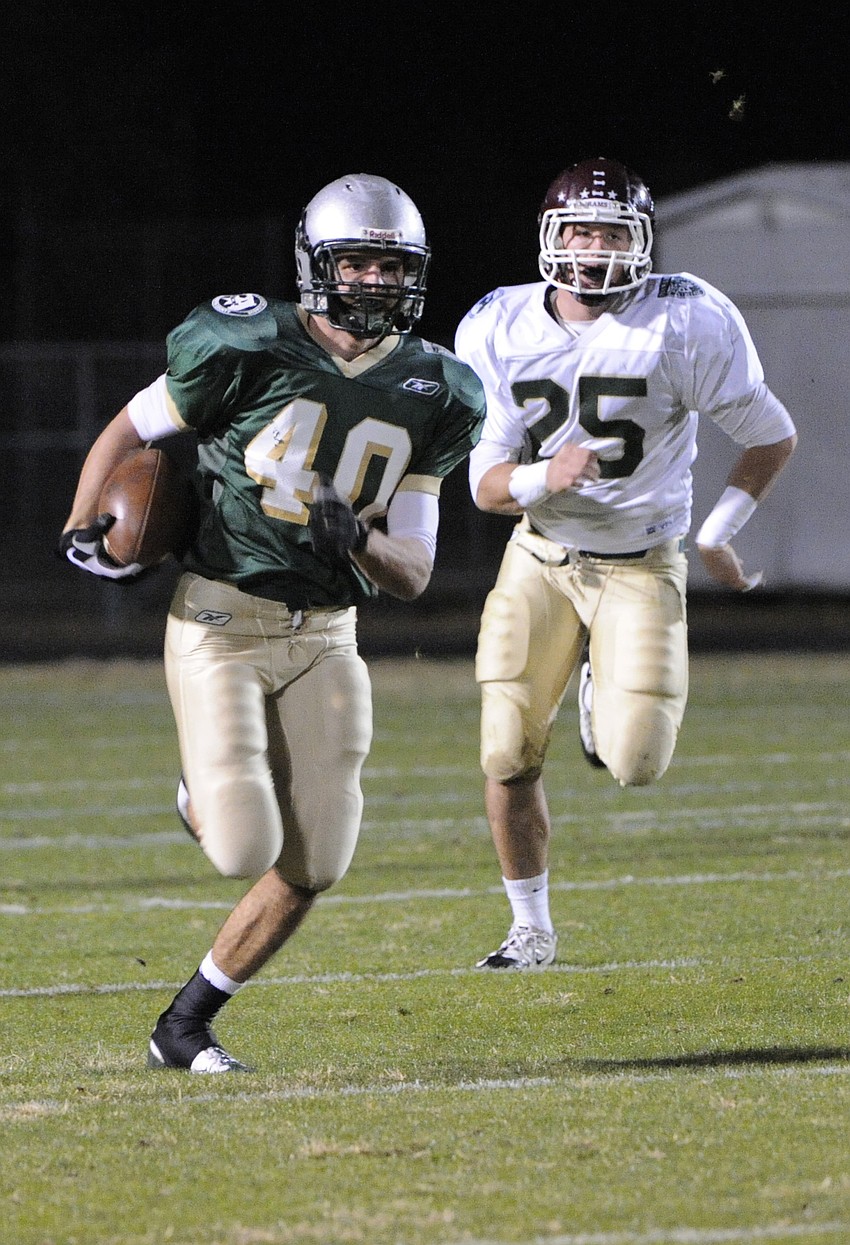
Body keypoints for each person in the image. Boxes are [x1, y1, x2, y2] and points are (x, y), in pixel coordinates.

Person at [60, 173, 485, 1069]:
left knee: (316, 860)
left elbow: (412, 571)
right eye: (357, 261)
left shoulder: (437, 387)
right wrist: (79, 520)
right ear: (316, 264)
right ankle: (197, 796)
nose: (374, 281)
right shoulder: (246, 340)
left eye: (392, 265)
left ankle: (182, 1028)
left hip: (328, 632)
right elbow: (130, 428)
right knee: (241, 843)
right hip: (221, 613)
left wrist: (359, 539)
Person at [454, 156, 797, 970]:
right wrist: (548, 475)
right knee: (506, 750)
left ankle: (596, 681)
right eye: (579, 230)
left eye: (611, 232)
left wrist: (719, 528)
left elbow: (771, 433)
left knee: (637, 761)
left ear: (642, 242)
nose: (594, 249)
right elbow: (485, 484)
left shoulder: (686, 319)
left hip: (643, 562)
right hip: (541, 554)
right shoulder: (500, 324)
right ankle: (530, 927)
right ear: (549, 236)